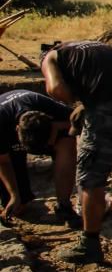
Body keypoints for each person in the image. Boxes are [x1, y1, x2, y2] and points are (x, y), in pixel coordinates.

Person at [40, 40, 112, 263]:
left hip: (104, 104)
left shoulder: (51, 57)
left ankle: (90, 243)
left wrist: (77, 99)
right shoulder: (94, 46)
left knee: (90, 176)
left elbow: (56, 89)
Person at [0, 90, 79, 227]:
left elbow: (82, 118)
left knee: (67, 142)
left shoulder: (45, 105)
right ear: (17, 129)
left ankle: (64, 205)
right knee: (18, 207)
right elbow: (3, 161)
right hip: (9, 140)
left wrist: (58, 126)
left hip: (47, 127)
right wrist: (14, 194)